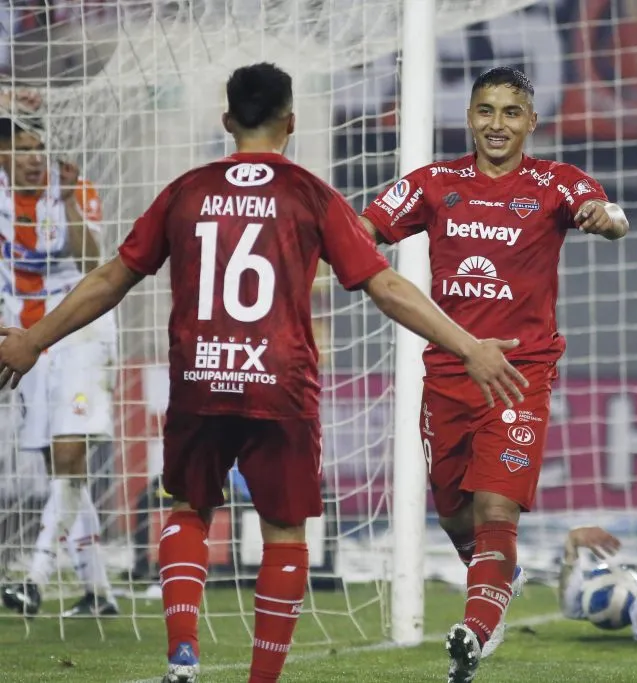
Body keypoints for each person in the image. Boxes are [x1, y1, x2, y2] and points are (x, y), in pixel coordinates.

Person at [0, 62, 527, 683]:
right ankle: (262, 679)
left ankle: (182, 652)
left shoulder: (187, 190)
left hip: (199, 378)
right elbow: (383, 284)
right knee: (283, 530)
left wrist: (34, 338)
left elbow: (113, 276)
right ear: (292, 122)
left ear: (227, 121)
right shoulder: (308, 192)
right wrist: (467, 345)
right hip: (280, 385)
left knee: (189, 510)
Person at [359, 66, 629, 682]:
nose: (497, 124)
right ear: (470, 118)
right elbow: (367, 228)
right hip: (448, 371)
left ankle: (476, 629)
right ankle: (499, 581)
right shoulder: (435, 182)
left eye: (511, 112)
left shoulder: (556, 183)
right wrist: (346, 243)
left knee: (495, 510)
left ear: (531, 122)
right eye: (486, 111)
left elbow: (610, 213)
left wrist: (602, 218)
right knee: (454, 512)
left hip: (521, 372)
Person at [0, 113, 119, 618]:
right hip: (29, 345)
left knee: (70, 457)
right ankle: (99, 594)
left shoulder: (71, 186)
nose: (33, 157)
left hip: (79, 335)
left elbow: (94, 263)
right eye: (21, 148)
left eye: (37, 147)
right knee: (61, 471)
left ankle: (35, 577)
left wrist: (68, 199)